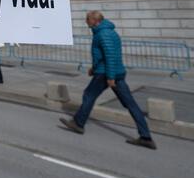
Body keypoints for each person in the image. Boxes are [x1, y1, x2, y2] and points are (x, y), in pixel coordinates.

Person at [60, 10, 156, 150]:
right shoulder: (109, 32)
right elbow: (103, 55)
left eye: (88, 19)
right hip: (114, 72)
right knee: (130, 104)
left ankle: (78, 123)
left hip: (106, 74)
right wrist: (94, 68)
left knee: (89, 95)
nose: (86, 21)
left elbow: (110, 56)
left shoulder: (103, 34)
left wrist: (110, 77)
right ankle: (146, 137)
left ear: (95, 20)